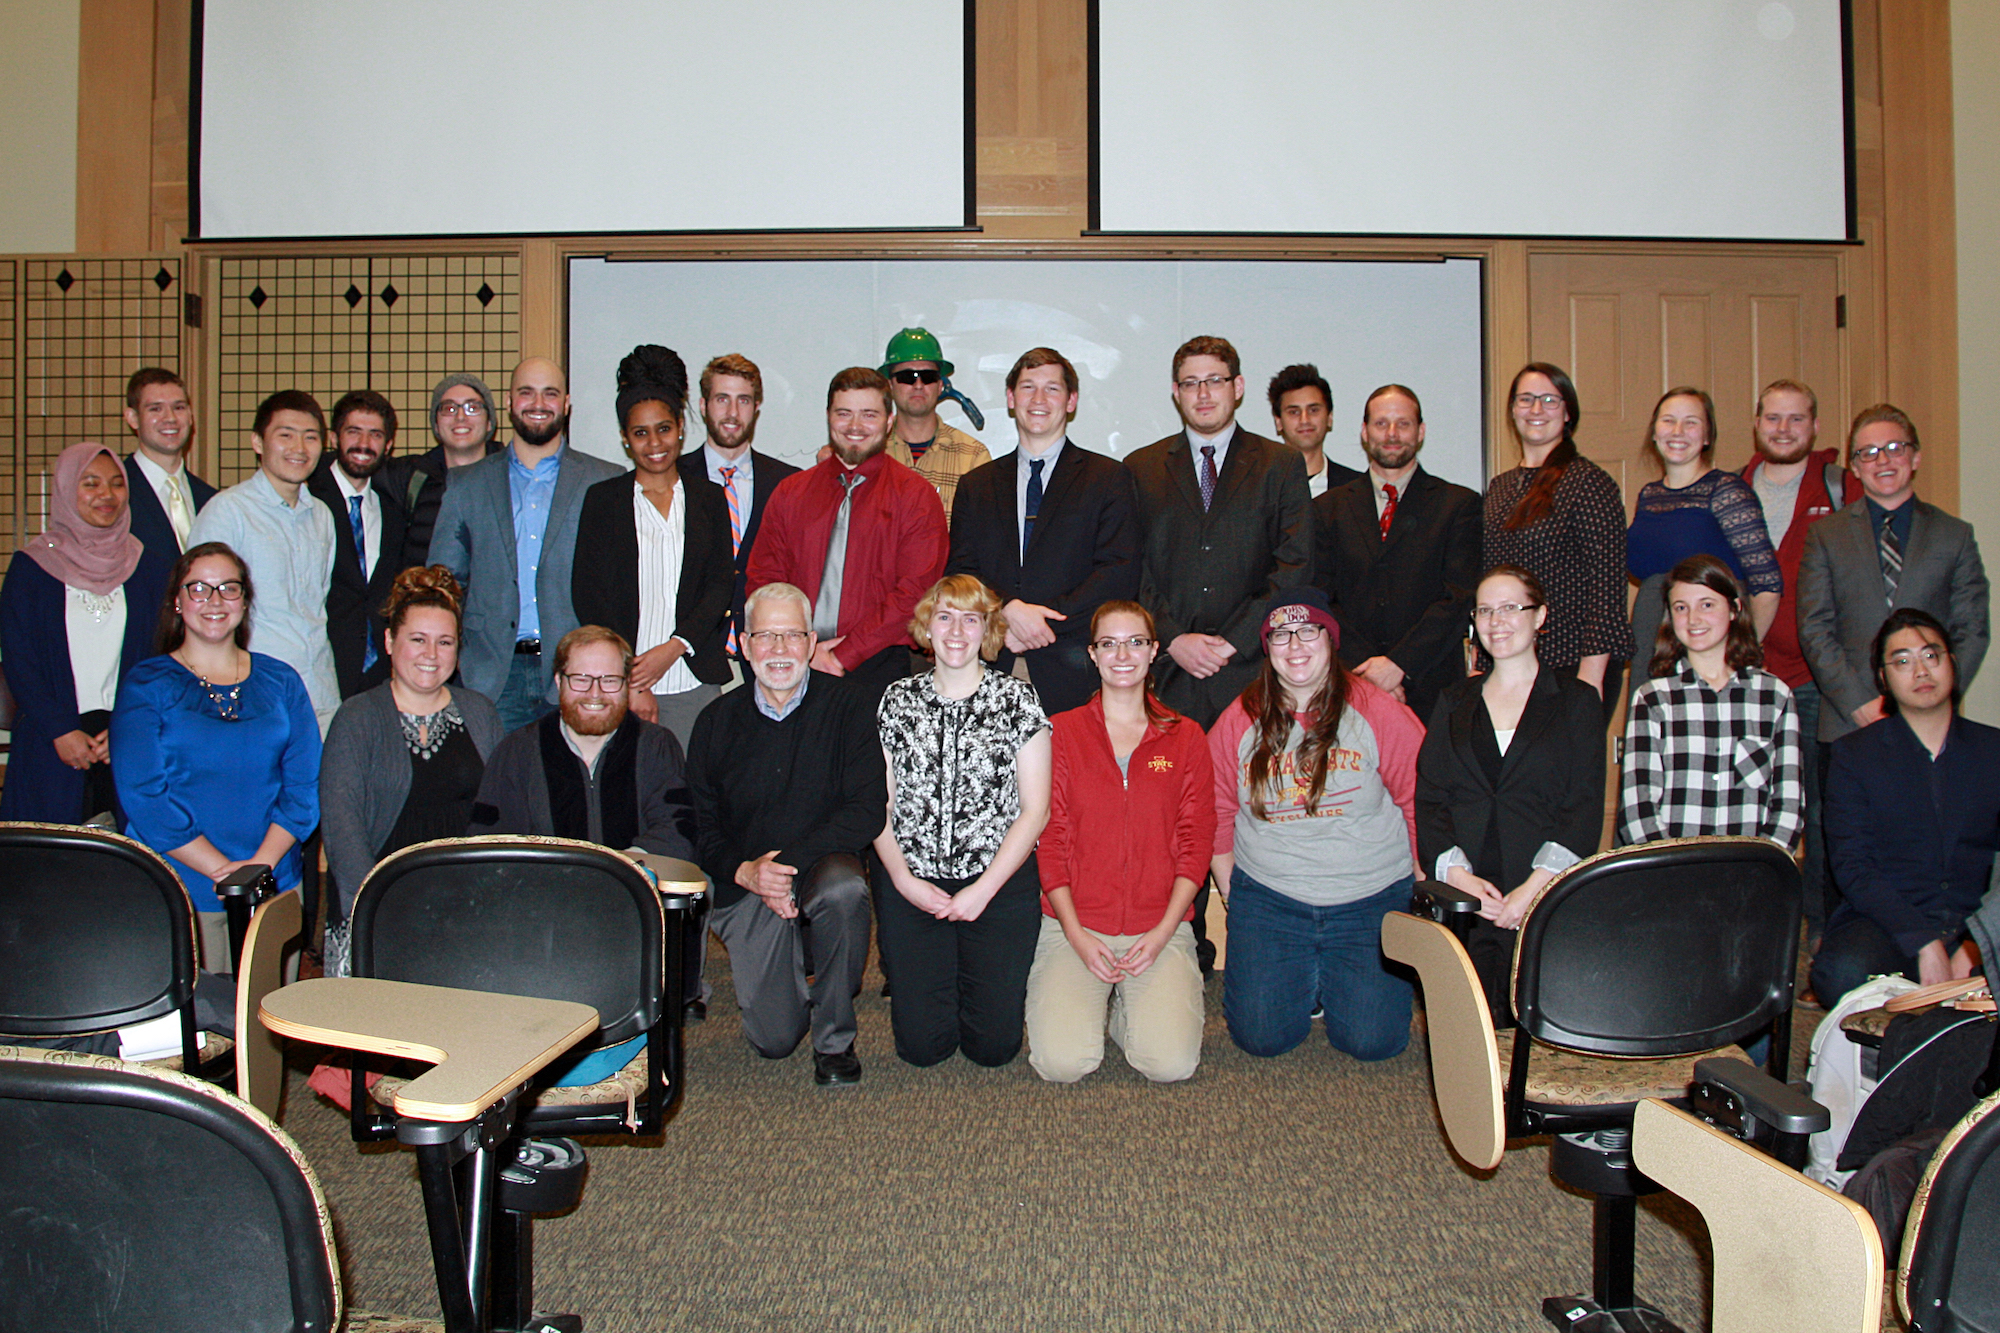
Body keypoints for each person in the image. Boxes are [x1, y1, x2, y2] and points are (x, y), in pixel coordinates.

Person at [684, 582, 886, 1086]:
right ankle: (799, 971)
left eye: (792, 636)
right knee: (774, 1042)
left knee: (844, 891)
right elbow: (700, 825)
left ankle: (835, 1041)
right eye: (766, 636)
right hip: (747, 880)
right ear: (745, 645)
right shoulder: (714, 722)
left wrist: (785, 865)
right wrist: (749, 872)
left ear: (812, 644)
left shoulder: (850, 707)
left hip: (818, 864)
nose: (779, 650)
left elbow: (866, 811)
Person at [1208, 587, 1423, 1060]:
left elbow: (1418, 799)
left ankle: (1327, 979)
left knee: (1373, 1043)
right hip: (1272, 898)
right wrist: (1233, 895)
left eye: (1309, 632)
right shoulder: (1238, 719)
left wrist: (1419, 884)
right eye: (1281, 635)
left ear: (1331, 641)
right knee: (1262, 1039)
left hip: (1370, 897)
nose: (1296, 646)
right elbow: (1218, 810)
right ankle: (1308, 975)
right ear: (1267, 649)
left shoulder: (1377, 709)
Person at [1026, 600, 1212, 1083]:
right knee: (1061, 1065)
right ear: (1093, 654)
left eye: (1135, 642)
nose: (1122, 655)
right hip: (1076, 924)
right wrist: (1076, 935)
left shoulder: (1186, 737)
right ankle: (1099, 1000)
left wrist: (1164, 931)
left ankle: (1131, 1009)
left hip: (1158, 925)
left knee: (1169, 1065)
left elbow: (1196, 845)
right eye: (1109, 644)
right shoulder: (1061, 732)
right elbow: (1052, 839)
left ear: (1154, 652)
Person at [110, 542, 322, 967]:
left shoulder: (282, 680)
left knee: (269, 1022)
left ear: (245, 600)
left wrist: (257, 869)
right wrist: (223, 871)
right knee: (200, 1027)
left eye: (229, 588)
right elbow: (144, 795)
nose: (214, 600)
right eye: (199, 588)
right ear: (177, 600)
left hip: (273, 880)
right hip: (182, 885)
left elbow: (305, 785)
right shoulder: (146, 684)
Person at [873, 574, 1052, 1068]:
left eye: (970, 619)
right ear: (926, 628)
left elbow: (1036, 811)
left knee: (993, 1048)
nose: (956, 631)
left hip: (997, 885)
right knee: (922, 1050)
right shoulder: (896, 700)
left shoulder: (1019, 701)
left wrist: (983, 889)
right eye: (944, 617)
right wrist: (905, 882)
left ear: (987, 630)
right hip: (913, 884)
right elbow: (877, 807)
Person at [1415, 566, 1604, 1020]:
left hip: (1545, 897)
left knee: (1537, 1032)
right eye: (1484, 610)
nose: (1495, 621)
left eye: (1510, 608)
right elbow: (1430, 797)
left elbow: (1583, 807)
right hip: (1467, 899)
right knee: (1468, 1029)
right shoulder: (1453, 701)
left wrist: (1532, 891)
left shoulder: (1576, 702)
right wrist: (1458, 877)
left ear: (1540, 617)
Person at [319, 565, 502, 975]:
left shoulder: (479, 713)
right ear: (388, 640)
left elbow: (499, 815)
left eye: (445, 642)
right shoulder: (357, 717)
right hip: (375, 911)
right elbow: (342, 829)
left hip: (464, 910)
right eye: (417, 640)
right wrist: (377, 912)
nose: (431, 655)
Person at [1812, 610, 2000, 1005]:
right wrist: (1923, 941)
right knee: (1841, 972)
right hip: (1889, 919)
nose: (1920, 671)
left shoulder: (1993, 750)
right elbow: (1852, 865)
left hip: (1978, 916)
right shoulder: (1854, 756)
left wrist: (1977, 942)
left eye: (1931, 656)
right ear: (1883, 678)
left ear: (1951, 662)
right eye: (1902, 661)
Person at [1127, 335, 1314, 730]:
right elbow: (1132, 566)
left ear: (1238, 386)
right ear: (1177, 393)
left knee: (1254, 790)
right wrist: (1174, 638)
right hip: (1168, 672)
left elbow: (1295, 562)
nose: (1204, 393)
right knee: (1170, 786)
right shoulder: (1141, 467)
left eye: (1214, 380)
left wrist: (1236, 640)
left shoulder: (1280, 465)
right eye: (1191, 383)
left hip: (1253, 670)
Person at [428, 357, 622, 731]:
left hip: (577, 672)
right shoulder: (466, 484)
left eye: (550, 394)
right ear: (509, 401)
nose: (538, 403)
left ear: (566, 404)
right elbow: (444, 584)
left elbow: (620, 585)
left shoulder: (605, 481)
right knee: (497, 788)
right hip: (491, 675)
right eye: (526, 393)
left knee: (571, 788)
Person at [946, 346, 1140, 715]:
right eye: (1028, 387)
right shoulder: (977, 484)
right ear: (1010, 398)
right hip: (990, 666)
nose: (1039, 399)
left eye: (1052, 388)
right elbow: (961, 570)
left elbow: (1118, 572)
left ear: (1071, 401)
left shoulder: (1108, 478)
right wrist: (1007, 611)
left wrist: (1040, 623)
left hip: (1075, 673)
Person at [745, 366, 949, 709]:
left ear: (888, 421)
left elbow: (915, 592)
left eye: (869, 414)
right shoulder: (790, 494)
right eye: (844, 413)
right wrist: (792, 648)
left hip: (880, 668)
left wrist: (842, 655)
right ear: (828, 418)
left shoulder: (916, 497)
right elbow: (764, 582)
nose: (855, 426)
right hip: (794, 665)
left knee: (872, 764)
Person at [1741, 378, 1860, 936]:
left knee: (1820, 812)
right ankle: (1756, 925)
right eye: (1773, 418)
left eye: (1796, 419)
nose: (1784, 429)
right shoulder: (1733, 488)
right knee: (1745, 806)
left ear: (1814, 426)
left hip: (1815, 681)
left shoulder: (1841, 489)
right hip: (1743, 679)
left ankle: (1819, 932)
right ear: (1757, 423)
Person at [571, 345, 734, 747]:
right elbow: (588, 595)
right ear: (626, 439)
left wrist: (674, 647)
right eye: (640, 433)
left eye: (663, 428)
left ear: (680, 426)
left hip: (693, 680)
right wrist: (631, 676)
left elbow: (719, 586)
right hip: (621, 686)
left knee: (693, 801)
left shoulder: (709, 498)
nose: (654, 443)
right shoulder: (603, 501)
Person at [1798, 403, 1989, 745]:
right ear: (1855, 467)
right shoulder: (1825, 536)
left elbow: (1972, 629)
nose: (1883, 461)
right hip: (1849, 724)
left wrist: (1932, 699)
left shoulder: (1954, 535)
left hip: (1934, 723)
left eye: (1894, 448)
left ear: (1915, 458)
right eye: (1868, 453)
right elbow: (1814, 628)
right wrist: (1859, 703)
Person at [0, 441, 170, 823]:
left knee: (127, 866)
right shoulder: (32, 568)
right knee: (49, 869)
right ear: (64, 488)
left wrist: (127, 725)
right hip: (52, 738)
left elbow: (159, 655)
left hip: (125, 737)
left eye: (116, 484)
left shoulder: (148, 568)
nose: (106, 495)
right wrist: (61, 730)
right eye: (90, 483)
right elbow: (18, 655)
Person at [1313, 383, 1481, 722]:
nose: (1392, 434)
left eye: (1403, 424)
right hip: (1349, 685)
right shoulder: (1326, 509)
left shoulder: (1459, 506)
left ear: (1420, 432)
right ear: (1364, 431)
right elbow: (1320, 596)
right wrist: (1370, 671)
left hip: (1432, 690)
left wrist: (1399, 665)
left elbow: (1458, 598)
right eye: (1381, 423)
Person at [1618, 554, 1802, 848]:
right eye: (1681, 607)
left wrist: (1761, 867)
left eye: (1707, 604)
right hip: (1672, 875)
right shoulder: (1653, 699)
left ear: (1734, 609)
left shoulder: (1775, 697)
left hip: (1752, 876)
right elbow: (1637, 808)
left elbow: (1789, 804)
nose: (1693, 619)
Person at [468, 625, 695, 863]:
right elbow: (491, 842)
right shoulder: (517, 752)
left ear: (627, 685)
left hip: (633, 890)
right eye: (581, 679)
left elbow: (678, 832)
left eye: (609, 680)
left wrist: (617, 870)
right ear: (558, 681)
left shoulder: (655, 746)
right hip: (544, 893)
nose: (594, 693)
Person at [187, 389, 342, 733]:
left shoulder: (322, 515)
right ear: (258, 442)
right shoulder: (228, 512)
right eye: (285, 435)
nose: (299, 448)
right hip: (250, 695)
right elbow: (199, 611)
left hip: (318, 692)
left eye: (310, 437)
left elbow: (318, 604)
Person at [1482, 363, 1629, 714]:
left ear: (1567, 413)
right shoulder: (1500, 487)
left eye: (1549, 400)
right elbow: (1487, 581)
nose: (1536, 410)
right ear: (1512, 410)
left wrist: (1589, 679)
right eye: (1526, 399)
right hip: (1508, 665)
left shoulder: (1590, 484)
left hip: (1570, 665)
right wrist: (1480, 658)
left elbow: (1607, 590)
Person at [1625, 386, 1783, 694]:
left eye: (1691, 422)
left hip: (1710, 649)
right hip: (1652, 642)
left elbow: (1767, 585)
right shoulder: (1649, 496)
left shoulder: (1727, 492)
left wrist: (1738, 653)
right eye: (1668, 421)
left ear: (1708, 436)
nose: (1678, 432)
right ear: (1654, 433)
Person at [682, 354, 799, 657]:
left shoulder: (789, 484)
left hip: (769, 654)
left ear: (757, 407)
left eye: (744, 401)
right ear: (703, 404)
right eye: (722, 399)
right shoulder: (673, 480)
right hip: (692, 654)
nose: (732, 413)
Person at [307, 389, 410, 698]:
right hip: (319, 669)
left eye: (375, 435)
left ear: (388, 445)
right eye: (354, 432)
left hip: (379, 675)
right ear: (335, 438)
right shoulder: (306, 499)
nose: (364, 445)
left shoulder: (393, 512)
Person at [881, 327, 989, 519]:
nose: (918, 385)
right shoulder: (869, 452)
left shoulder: (973, 457)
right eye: (907, 377)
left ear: (940, 386)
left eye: (928, 377)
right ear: (890, 385)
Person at [400, 373, 504, 569]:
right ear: (436, 425)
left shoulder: (511, 480)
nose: (461, 417)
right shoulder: (413, 478)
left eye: (473, 408)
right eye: (449, 408)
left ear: (490, 422)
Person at [120, 367, 214, 563]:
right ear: (133, 418)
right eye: (155, 408)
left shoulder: (212, 499)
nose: (170, 418)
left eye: (179, 407)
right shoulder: (116, 494)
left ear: (190, 416)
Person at [1267, 363, 1360, 499]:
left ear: (1329, 417)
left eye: (1314, 410)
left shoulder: (1357, 487)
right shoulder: (1259, 486)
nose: (1304, 420)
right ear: (1278, 421)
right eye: (1294, 412)